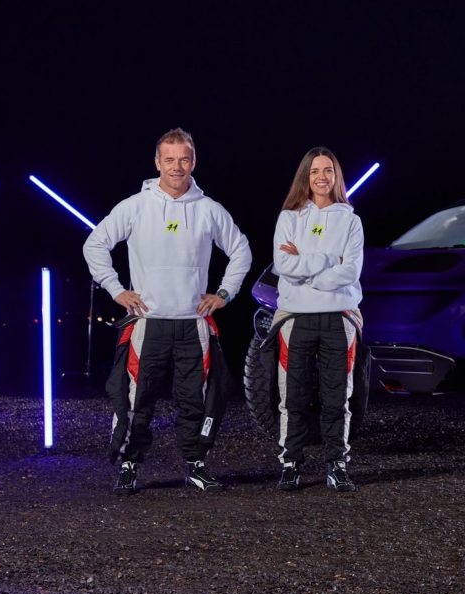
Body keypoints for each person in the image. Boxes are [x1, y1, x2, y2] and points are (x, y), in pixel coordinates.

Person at [83, 128, 252, 495]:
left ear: (194, 162)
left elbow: (241, 249)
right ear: (157, 162)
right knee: (136, 398)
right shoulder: (135, 206)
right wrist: (116, 289)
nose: (177, 167)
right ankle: (128, 465)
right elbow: (95, 244)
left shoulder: (208, 209)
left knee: (196, 398)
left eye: (184, 159)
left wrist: (224, 292)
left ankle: (196, 465)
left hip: (193, 322)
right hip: (148, 321)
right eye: (170, 159)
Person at [271, 146, 364, 492]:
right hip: (296, 318)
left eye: (328, 170)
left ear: (337, 176)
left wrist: (307, 267)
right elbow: (284, 265)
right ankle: (291, 463)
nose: (322, 177)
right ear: (305, 177)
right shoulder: (289, 217)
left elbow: (351, 271)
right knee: (293, 396)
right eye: (314, 171)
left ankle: (337, 464)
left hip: (339, 318)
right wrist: (329, 259)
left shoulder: (351, 221)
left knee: (337, 396)